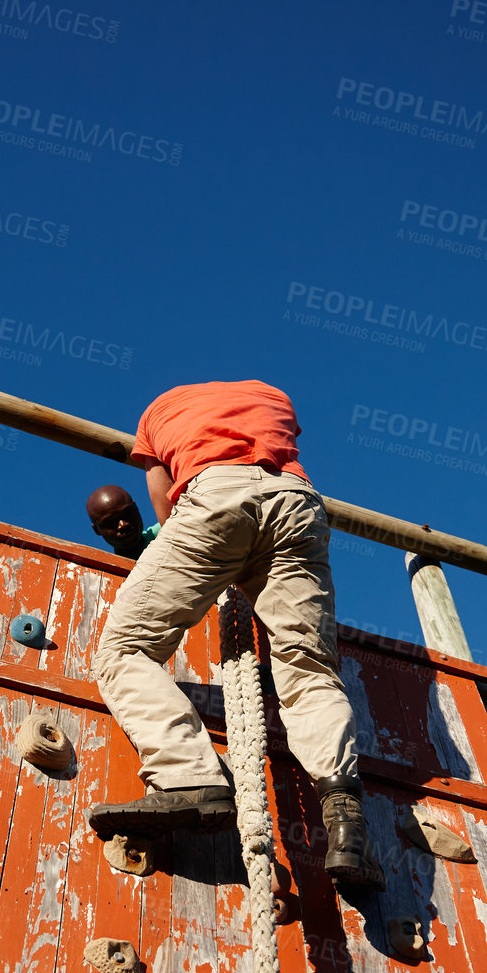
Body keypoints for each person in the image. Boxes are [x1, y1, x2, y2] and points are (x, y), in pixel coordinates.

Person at [87, 380, 383, 890]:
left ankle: (188, 777)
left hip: (215, 497)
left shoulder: (157, 411)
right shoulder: (275, 397)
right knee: (308, 667)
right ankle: (342, 811)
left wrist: (211, 564)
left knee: (124, 649)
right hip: (298, 504)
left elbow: (165, 504)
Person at [86, 484, 160, 559]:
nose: (123, 525)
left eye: (127, 514)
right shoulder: (109, 569)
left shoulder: (167, 531)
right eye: (111, 522)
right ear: (96, 530)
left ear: (136, 509)